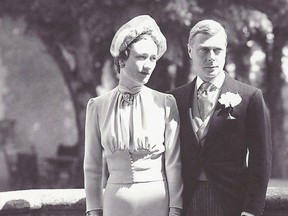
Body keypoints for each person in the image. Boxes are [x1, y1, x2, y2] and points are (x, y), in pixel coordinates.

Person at [170, 19, 272, 216]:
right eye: (204, 50)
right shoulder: (174, 99)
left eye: (217, 50)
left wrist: (251, 210)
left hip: (230, 202)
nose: (211, 57)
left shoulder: (249, 97)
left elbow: (262, 159)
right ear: (190, 51)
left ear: (225, 51)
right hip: (184, 202)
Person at [84, 15, 183, 216]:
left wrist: (176, 209)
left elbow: (174, 162)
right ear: (121, 59)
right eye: (141, 57)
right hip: (115, 204)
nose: (148, 65)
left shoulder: (165, 103)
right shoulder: (97, 106)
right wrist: (93, 210)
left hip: (158, 201)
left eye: (153, 58)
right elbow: (92, 167)